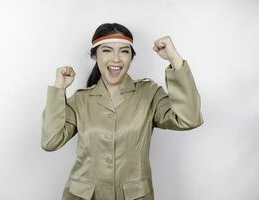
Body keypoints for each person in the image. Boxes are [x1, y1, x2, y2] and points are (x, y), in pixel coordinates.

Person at [41, 23, 204, 200]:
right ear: (95, 55)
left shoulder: (148, 93)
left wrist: (174, 59)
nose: (116, 59)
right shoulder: (81, 100)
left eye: (124, 51)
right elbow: (51, 141)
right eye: (107, 50)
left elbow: (189, 119)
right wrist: (58, 89)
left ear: (131, 57)